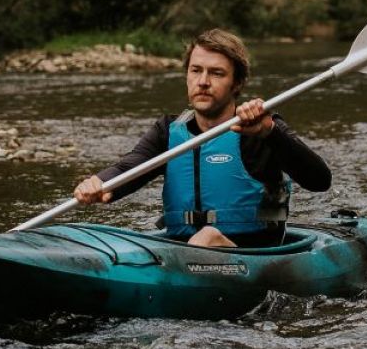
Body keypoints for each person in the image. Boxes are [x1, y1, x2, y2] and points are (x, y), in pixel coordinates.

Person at [72, 28, 331, 248]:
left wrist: (271, 132)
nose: (203, 81)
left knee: (207, 237)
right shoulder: (168, 131)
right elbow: (129, 168)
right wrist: (98, 183)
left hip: (254, 253)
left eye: (216, 73)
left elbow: (320, 180)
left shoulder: (260, 129)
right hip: (183, 249)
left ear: (237, 83)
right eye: (196, 71)